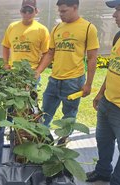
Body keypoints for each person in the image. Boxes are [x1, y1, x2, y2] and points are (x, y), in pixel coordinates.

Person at [86, 0, 120, 184]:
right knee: (103, 141)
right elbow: (115, 68)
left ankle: (118, 181)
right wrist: (101, 93)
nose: (114, 15)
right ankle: (103, 172)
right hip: (108, 103)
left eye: (119, 9)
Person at [36, 0, 99, 130]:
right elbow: (50, 53)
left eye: (64, 11)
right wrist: (38, 71)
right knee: (45, 112)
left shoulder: (88, 28)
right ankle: (42, 139)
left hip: (74, 81)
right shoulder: (57, 28)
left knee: (69, 115)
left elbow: (92, 58)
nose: (61, 14)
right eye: (59, 11)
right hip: (54, 79)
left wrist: (88, 84)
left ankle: (63, 141)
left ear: (75, 8)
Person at [1, 0, 50, 79]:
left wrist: (38, 71)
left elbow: (46, 53)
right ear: (20, 11)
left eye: (30, 11)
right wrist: (6, 64)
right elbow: (5, 46)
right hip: (14, 72)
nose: (27, 13)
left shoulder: (42, 30)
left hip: (31, 73)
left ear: (36, 11)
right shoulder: (12, 27)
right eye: (24, 10)